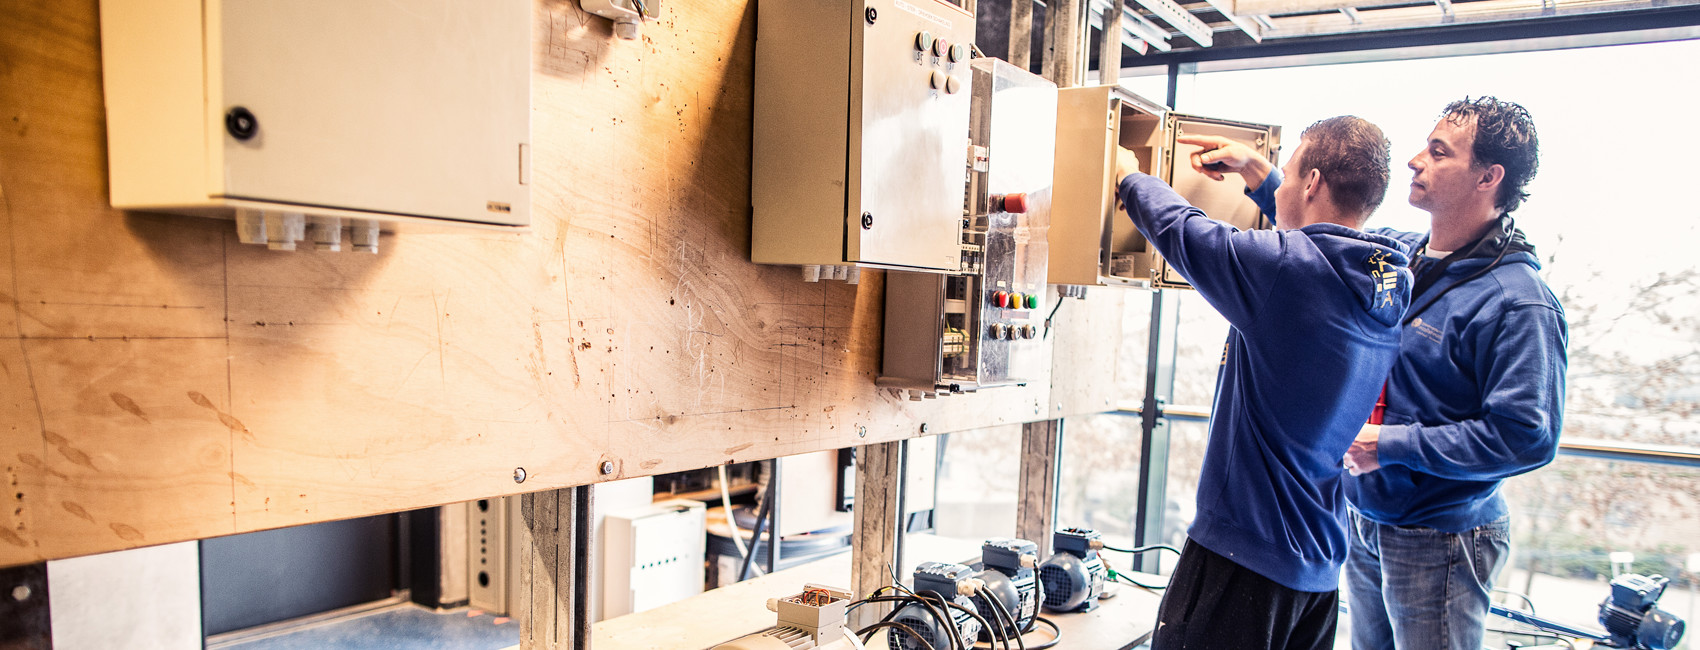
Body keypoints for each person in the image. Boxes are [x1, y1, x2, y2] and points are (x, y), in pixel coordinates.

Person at [1186, 97, 1568, 650]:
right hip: (1365, 516)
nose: (1416, 160)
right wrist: (1263, 175)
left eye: (1439, 152)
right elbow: (1327, 239)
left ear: (1489, 176)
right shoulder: (1400, 256)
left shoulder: (1518, 302)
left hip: (1442, 535)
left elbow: (1526, 436)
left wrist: (1390, 445)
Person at [1116, 115, 1412, 650]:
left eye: (1293, 173)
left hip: (1243, 562)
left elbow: (1185, 231)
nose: (1287, 184)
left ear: (1315, 182)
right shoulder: (1388, 280)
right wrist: (1260, 172)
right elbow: (1318, 241)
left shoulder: (1288, 272)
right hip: (1316, 574)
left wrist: (1126, 175)